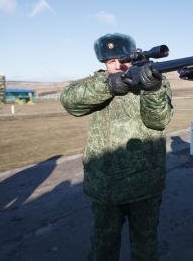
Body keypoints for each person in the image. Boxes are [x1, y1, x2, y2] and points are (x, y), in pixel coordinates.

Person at [60, 33, 173, 261]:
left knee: (145, 247)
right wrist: (110, 85)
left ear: (133, 57)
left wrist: (152, 89)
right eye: (111, 62)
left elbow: (158, 121)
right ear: (104, 64)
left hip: (145, 185)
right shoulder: (98, 83)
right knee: (103, 247)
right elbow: (70, 102)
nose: (118, 65)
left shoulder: (153, 81)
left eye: (122, 59)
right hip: (105, 187)